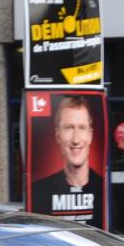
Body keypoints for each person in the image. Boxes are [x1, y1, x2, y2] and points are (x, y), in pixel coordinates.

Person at [30, 96, 105, 228]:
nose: (76, 139)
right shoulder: (38, 192)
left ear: (90, 135)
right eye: (69, 128)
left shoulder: (104, 190)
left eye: (82, 128)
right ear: (58, 135)